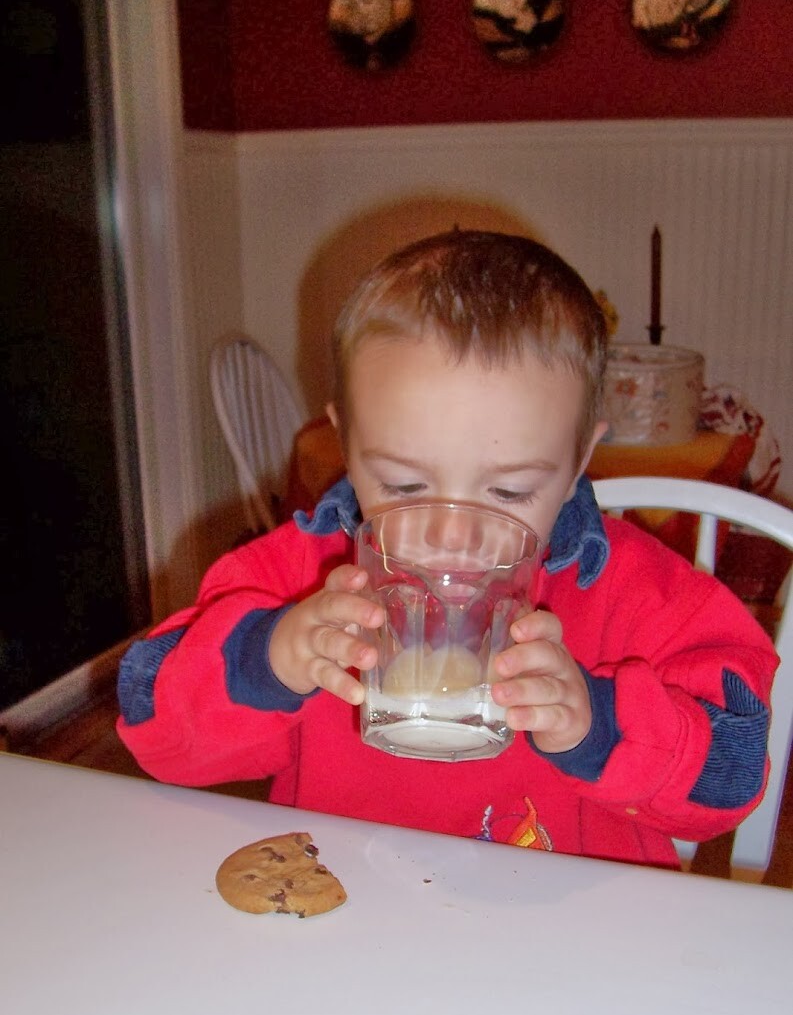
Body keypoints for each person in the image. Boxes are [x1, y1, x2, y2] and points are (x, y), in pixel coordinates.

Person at [117, 230, 778, 868]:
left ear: (578, 458)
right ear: (345, 440)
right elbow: (150, 717)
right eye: (404, 484)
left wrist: (598, 725)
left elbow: (734, 771)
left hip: (570, 950)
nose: (452, 537)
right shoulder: (298, 576)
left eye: (510, 490)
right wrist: (268, 657)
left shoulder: (641, 594)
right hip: (353, 924)